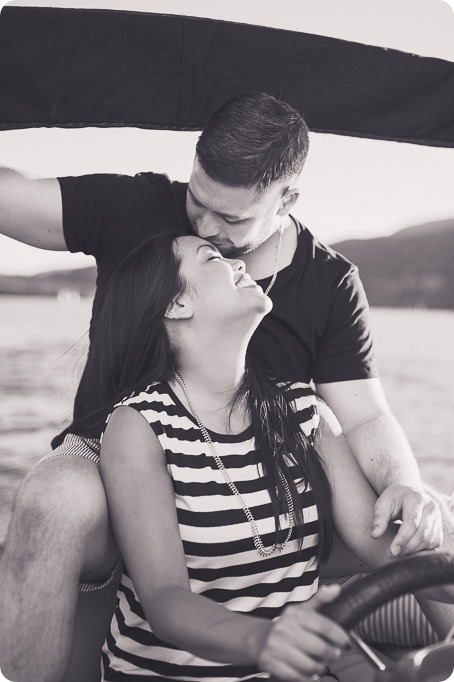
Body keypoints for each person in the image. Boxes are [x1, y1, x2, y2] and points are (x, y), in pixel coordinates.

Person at [0, 93, 446, 682]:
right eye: (196, 201)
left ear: (286, 200)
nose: (203, 227)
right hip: (113, 442)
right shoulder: (137, 208)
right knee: (55, 498)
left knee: (431, 515)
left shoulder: (328, 290)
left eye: (229, 221)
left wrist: (406, 488)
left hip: (266, 450)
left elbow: (365, 418)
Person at [89, 231, 454, 682]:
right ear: (177, 304)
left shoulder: (305, 412)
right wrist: (267, 642)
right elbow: (165, 601)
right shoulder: (139, 424)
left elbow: (377, 540)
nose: (239, 263)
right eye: (212, 258)